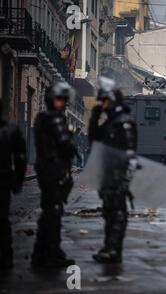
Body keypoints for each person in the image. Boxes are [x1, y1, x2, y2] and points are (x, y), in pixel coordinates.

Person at [88, 76, 137, 264]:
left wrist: (125, 181)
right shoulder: (109, 122)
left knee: (117, 214)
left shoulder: (124, 122)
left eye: (106, 101)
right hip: (107, 175)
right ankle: (108, 247)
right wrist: (94, 117)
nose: (104, 104)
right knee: (108, 213)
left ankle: (114, 250)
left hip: (118, 176)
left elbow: (131, 155)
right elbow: (94, 140)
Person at [32, 82, 77, 268]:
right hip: (53, 170)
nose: (62, 103)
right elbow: (65, 145)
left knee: (49, 211)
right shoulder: (56, 119)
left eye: (63, 100)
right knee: (54, 212)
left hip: (45, 169)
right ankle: (52, 253)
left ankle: (40, 253)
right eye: (60, 100)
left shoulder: (41, 118)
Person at [0, 99, 26, 269]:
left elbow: (20, 157)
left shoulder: (10, 130)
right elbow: (21, 158)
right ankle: (6, 256)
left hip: (3, 180)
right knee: (2, 219)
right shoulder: (10, 130)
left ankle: (6, 256)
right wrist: (18, 180)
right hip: (3, 181)